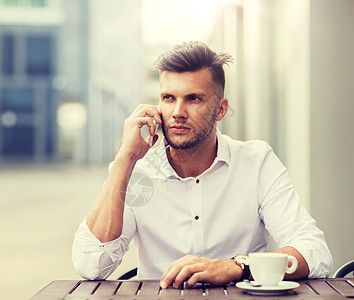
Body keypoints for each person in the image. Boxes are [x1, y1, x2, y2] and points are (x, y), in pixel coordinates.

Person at [72, 41, 332, 289]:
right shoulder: (138, 171)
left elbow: (315, 251)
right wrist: (124, 160)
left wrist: (237, 267)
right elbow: (92, 266)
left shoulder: (256, 162)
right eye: (169, 98)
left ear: (220, 109)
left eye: (194, 98)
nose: (178, 112)